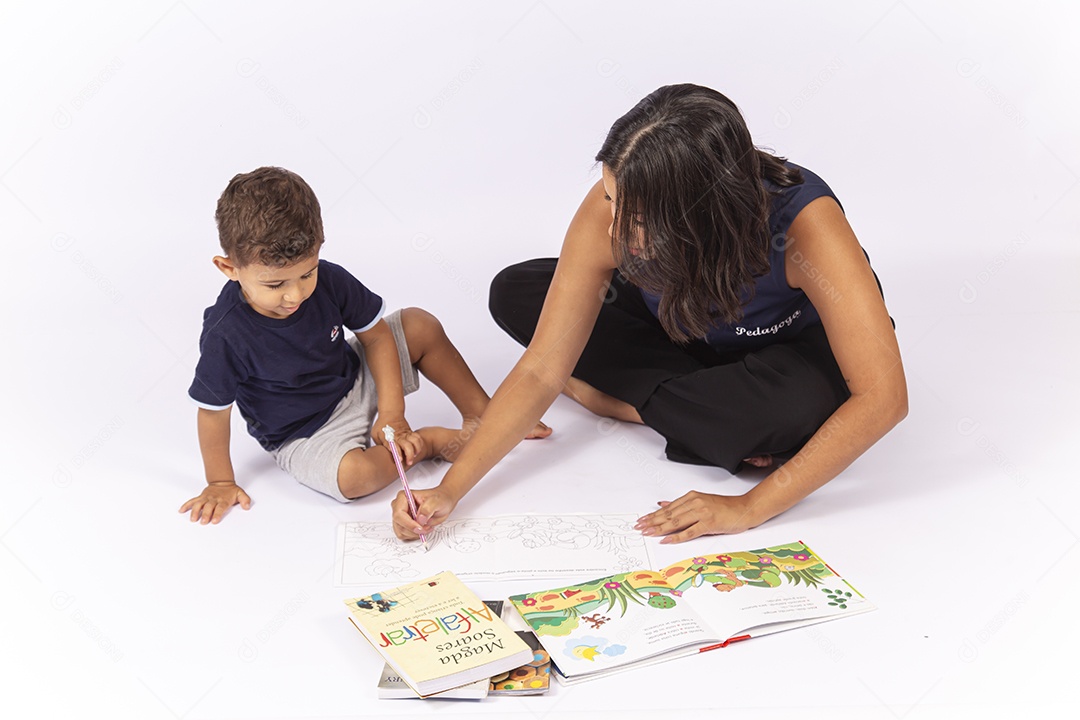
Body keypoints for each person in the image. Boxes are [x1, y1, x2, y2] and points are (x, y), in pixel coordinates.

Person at [392, 84, 906, 543]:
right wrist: (448, 491)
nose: (612, 226)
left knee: (787, 416)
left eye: (634, 217)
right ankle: (692, 408)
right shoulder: (613, 213)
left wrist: (750, 507)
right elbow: (542, 367)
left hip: (788, 353)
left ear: (699, 212)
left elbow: (883, 397)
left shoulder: (804, 223)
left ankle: (625, 401)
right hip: (689, 332)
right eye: (611, 196)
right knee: (516, 291)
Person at [181, 167, 550, 524]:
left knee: (418, 324)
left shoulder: (330, 279)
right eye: (275, 285)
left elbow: (375, 336)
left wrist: (392, 412)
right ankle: (431, 444)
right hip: (304, 433)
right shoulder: (224, 333)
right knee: (354, 479)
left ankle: (487, 416)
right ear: (229, 268)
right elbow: (214, 412)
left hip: (354, 377)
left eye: (306, 273)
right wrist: (220, 482)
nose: (295, 294)